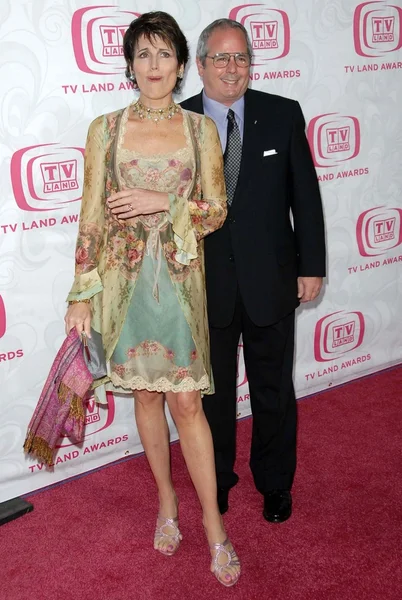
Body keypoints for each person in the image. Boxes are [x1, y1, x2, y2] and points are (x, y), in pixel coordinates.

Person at [64, 11, 240, 587]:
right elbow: (90, 216)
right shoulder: (105, 129)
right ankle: (167, 502)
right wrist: (81, 293)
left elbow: (215, 211)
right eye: (143, 54)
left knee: (188, 405)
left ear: (183, 66)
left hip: (179, 287)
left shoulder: (200, 131)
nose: (154, 65)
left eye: (165, 54)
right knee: (144, 400)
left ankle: (215, 526)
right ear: (130, 65)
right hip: (123, 284)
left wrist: (161, 202)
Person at [182, 19, 326, 523]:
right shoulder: (179, 122)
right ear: (199, 66)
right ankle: (215, 479)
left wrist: (313, 266)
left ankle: (275, 482)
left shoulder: (281, 114)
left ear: (250, 64)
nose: (231, 67)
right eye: (220, 58)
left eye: (240, 57)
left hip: (272, 279)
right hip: (204, 284)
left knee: (273, 390)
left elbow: (304, 198)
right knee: (214, 396)